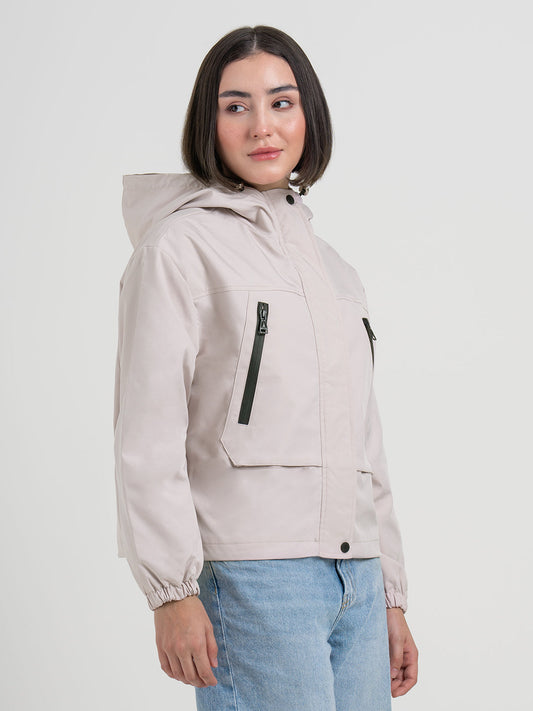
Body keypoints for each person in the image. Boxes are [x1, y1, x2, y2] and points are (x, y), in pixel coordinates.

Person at [113, 24, 418, 711]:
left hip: (358, 579)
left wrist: (391, 595)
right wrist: (171, 590)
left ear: (309, 114)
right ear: (208, 122)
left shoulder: (334, 269)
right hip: (254, 576)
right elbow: (147, 432)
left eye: (281, 102)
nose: (262, 126)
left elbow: (366, 444)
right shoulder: (179, 248)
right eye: (236, 106)